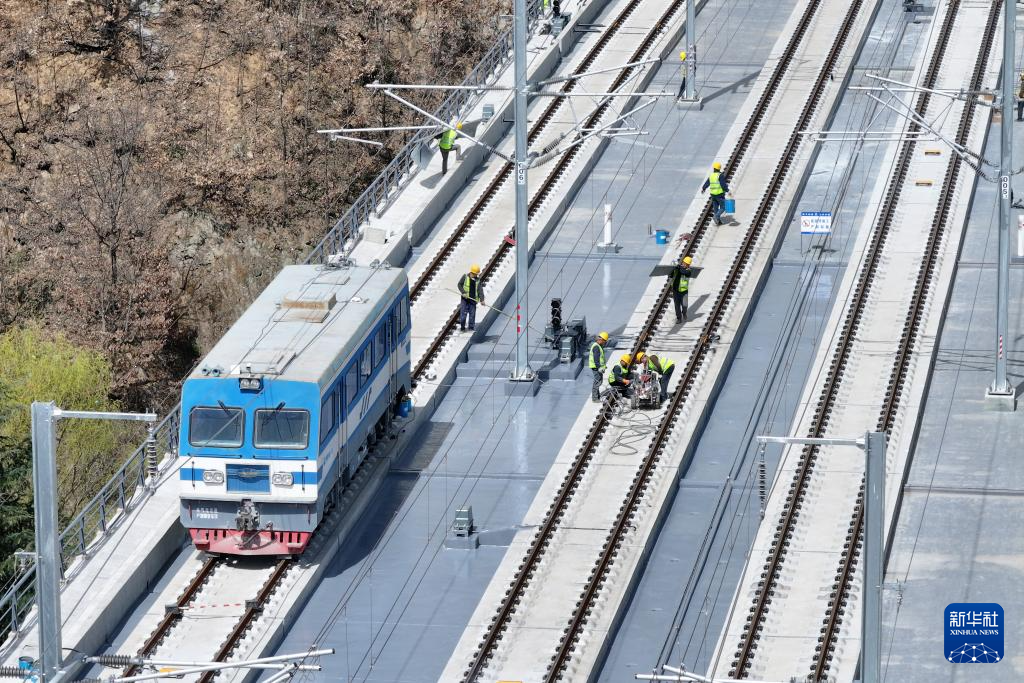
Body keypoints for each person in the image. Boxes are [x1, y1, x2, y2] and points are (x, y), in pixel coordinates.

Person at [458, 265, 484, 332]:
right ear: (471, 272)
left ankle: (471, 328)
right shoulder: (465, 277)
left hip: (473, 300)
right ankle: (462, 328)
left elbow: (480, 291)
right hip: (465, 299)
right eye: (475, 274)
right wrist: (463, 292)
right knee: (463, 315)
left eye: (476, 274)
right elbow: (459, 285)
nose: (475, 275)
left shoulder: (478, 280)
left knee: (472, 315)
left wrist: (482, 300)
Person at [671, 255, 693, 323]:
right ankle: (679, 318)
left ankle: (684, 313)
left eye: (686, 264)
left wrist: (679, 267)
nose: (684, 264)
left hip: (684, 291)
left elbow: (683, 272)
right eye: (684, 263)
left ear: (688, 265)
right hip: (675, 290)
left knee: (684, 305)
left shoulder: (688, 271)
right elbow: (671, 275)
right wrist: (673, 269)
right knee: (677, 306)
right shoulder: (678, 268)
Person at [589, 331, 610, 402]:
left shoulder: (598, 346)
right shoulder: (596, 347)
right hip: (596, 368)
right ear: (601, 340)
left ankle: (597, 396)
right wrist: (599, 367)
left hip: (597, 367)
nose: (604, 343)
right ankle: (595, 398)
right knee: (597, 382)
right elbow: (596, 359)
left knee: (598, 382)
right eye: (604, 341)